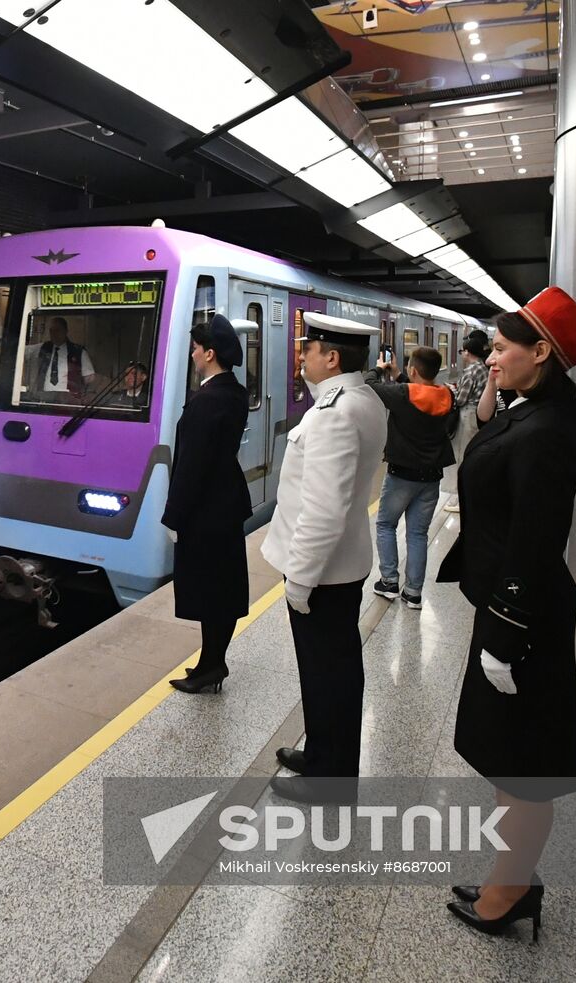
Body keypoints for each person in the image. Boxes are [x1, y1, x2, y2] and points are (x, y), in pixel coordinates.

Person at [437, 287, 576, 939]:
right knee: (510, 759)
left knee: (526, 768)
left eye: (503, 348)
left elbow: (536, 539)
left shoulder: (547, 432)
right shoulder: (534, 410)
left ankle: (509, 893)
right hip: (514, 611)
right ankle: (511, 874)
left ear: (543, 351)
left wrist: (505, 633)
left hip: (525, 620)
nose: (491, 358)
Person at [260, 313, 387, 802]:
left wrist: (301, 578)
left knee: (327, 672)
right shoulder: (362, 399)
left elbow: (324, 507)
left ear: (331, 358)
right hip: (341, 566)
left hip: (324, 574)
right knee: (329, 670)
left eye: (308, 349)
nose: (302, 356)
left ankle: (331, 779)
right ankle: (323, 754)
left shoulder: (335, 413)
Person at [162, 315, 251, 695]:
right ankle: (212, 660)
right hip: (227, 504)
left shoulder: (206, 401)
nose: (193, 355)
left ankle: (212, 664)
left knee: (210, 592)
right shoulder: (234, 392)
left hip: (204, 512)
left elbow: (191, 466)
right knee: (223, 588)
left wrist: (174, 516)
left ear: (209, 353)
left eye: (196, 349)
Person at [366, 345, 456, 609]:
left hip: (401, 475)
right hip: (431, 478)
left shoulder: (402, 394)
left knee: (385, 525)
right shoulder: (447, 395)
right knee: (418, 534)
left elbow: (369, 384)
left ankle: (389, 582)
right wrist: (400, 376)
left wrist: (380, 368)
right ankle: (414, 593)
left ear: (413, 370)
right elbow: (421, 395)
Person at [443, 334, 490, 512]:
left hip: (467, 416)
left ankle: (459, 497)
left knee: (461, 455)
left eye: (463, 351)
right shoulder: (482, 368)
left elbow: (461, 400)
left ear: (468, 352)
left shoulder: (471, 371)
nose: (462, 354)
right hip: (476, 415)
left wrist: (451, 391)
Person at [30, 317, 95, 398]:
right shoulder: (43, 348)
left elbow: (89, 378)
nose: (54, 334)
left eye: (57, 330)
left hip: (69, 399)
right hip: (44, 397)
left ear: (65, 331)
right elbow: (22, 350)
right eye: (51, 331)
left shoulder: (79, 351)